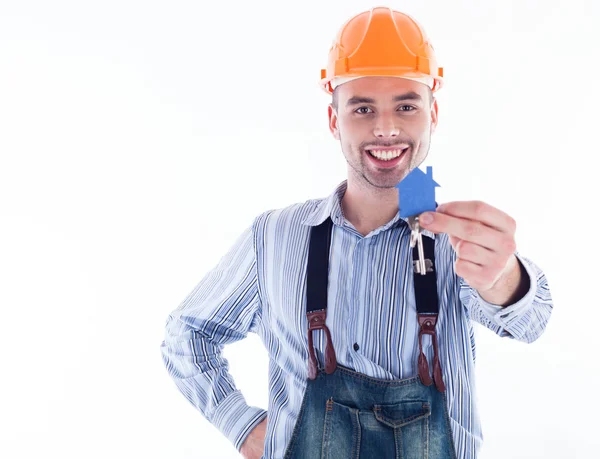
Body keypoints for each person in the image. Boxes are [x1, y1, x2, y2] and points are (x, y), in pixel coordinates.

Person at [160, 6, 553, 459]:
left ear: (433, 113)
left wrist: (504, 276)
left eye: (406, 105)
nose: (386, 128)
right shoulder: (274, 237)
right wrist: (244, 426)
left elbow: (532, 323)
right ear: (334, 121)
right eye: (362, 108)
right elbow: (188, 333)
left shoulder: (458, 240)